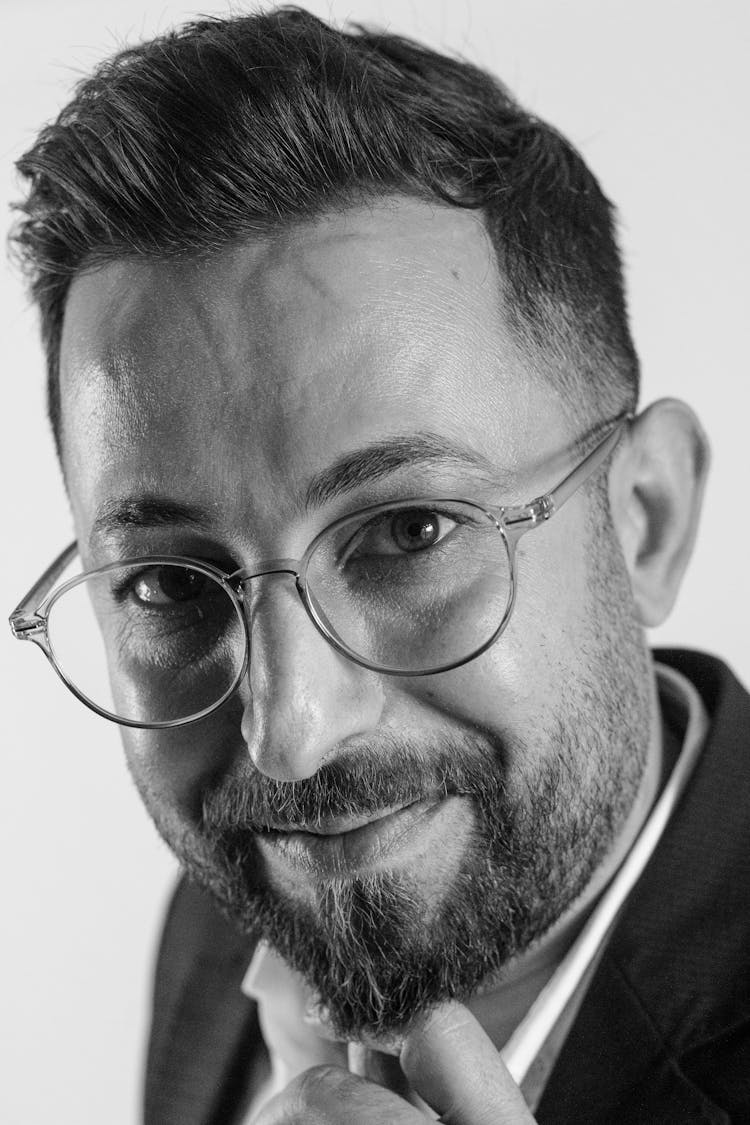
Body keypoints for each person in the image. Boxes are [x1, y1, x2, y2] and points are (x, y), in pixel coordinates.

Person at [8, 7, 749, 1122]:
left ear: (647, 518)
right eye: (165, 584)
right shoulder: (230, 929)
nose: (292, 736)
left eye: (409, 534)